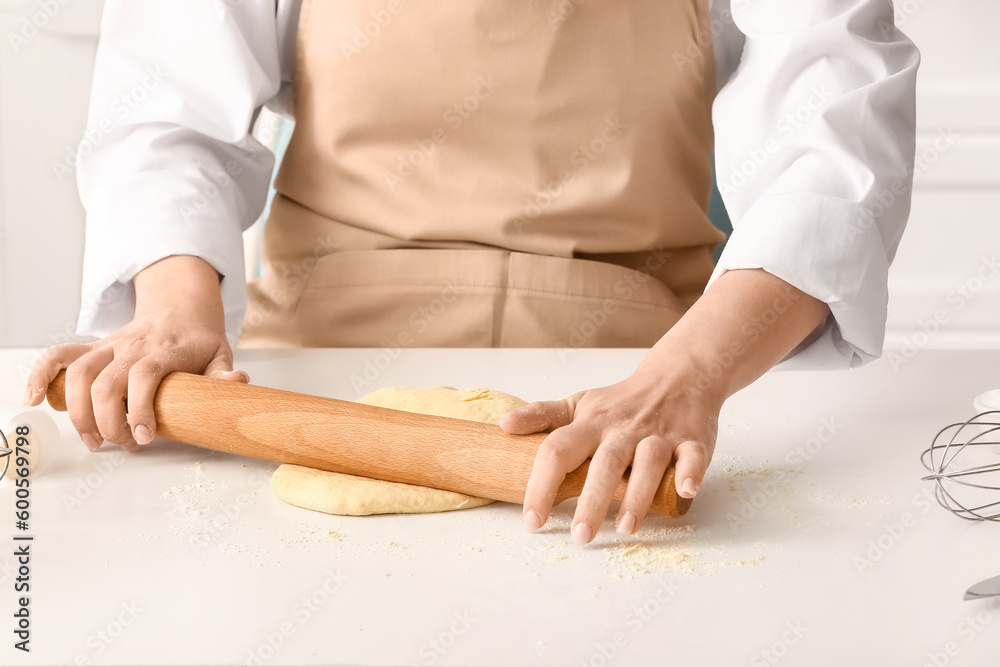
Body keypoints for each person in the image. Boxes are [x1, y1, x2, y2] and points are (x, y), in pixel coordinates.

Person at [24, 0, 918, 545]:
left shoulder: (662, 385)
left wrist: (687, 376)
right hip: (327, 358)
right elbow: (166, 112)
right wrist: (174, 307)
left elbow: (834, 145)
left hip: (634, 377)